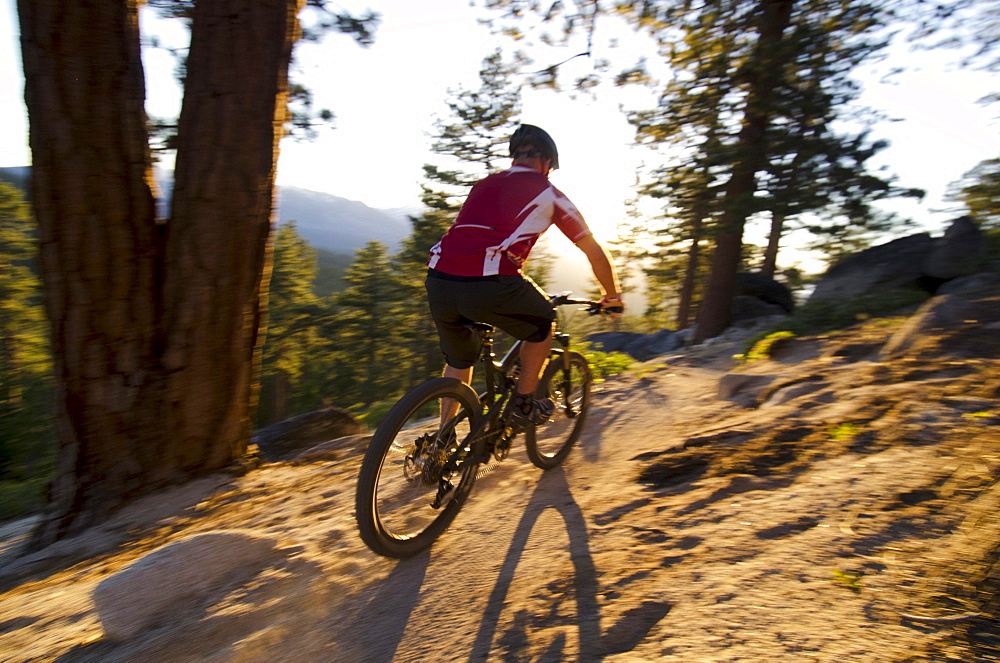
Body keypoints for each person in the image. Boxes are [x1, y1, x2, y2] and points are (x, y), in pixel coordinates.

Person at [425, 124, 623, 428]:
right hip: (489, 283)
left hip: (439, 279)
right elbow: (594, 252)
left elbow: (477, 236)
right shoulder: (551, 194)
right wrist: (612, 297)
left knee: (458, 360)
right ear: (547, 163)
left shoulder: (484, 185)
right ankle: (523, 403)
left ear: (515, 157)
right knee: (543, 321)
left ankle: (443, 437)